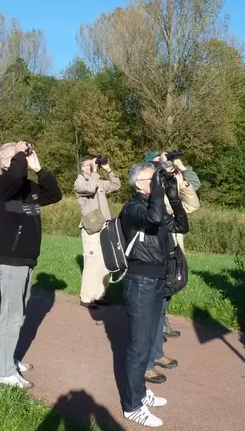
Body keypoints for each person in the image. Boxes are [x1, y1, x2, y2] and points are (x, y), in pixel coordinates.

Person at [119, 162, 189, 427]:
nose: (157, 183)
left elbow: (181, 226)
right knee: (138, 347)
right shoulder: (133, 208)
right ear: (139, 184)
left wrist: (173, 196)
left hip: (157, 280)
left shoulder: (152, 206)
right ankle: (132, 406)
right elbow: (155, 218)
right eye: (153, 179)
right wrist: (159, 192)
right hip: (140, 282)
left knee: (149, 342)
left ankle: (140, 393)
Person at [0, 141, 63, 389]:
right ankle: (5, 370)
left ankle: (9, 358)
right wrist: (20, 154)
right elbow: (15, 177)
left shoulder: (27, 186)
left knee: (18, 316)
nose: (18, 160)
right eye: (12, 157)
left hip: (27, 258)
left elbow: (55, 195)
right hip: (10, 258)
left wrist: (39, 169)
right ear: (2, 163)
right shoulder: (0, 183)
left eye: (19, 157)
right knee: (10, 317)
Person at [143, 166, 199, 385]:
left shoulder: (164, 197)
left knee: (160, 313)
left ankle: (156, 353)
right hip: (151, 268)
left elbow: (186, 217)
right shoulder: (140, 203)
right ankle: (146, 363)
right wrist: (160, 193)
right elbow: (155, 219)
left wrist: (176, 191)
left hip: (168, 263)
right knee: (150, 316)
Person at [74, 156, 121, 310]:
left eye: (93, 165)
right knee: (92, 262)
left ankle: (99, 295)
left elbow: (116, 184)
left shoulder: (99, 181)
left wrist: (108, 169)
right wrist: (94, 172)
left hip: (105, 226)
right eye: (89, 165)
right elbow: (89, 189)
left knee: (104, 262)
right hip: (91, 227)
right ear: (82, 167)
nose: (92, 167)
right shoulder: (80, 182)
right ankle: (86, 297)